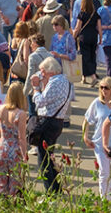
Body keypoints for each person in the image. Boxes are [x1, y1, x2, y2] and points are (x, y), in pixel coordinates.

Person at [29, 56, 74, 193]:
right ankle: (56, 188)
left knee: (44, 159)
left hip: (49, 122)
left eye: (43, 71)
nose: (41, 74)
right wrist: (43, 83)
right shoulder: (63, 80)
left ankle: (51, 191)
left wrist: (36, 89)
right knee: (49, 156)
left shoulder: (56, 82)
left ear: (51, 71)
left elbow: (41, 102)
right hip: (56, 121)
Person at [0, 81, 28, 196]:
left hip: (2, 147)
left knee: (0, 179)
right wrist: (24, 154)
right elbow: (21, 138)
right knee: (15, 181)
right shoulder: (21, 114)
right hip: (15, 150)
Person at [83, 76, 111, 196]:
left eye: (106, 88)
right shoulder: (97, 103)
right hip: (100, 144)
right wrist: (85, 137)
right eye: (101, 87)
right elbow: (87, 120)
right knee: (104, 172)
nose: (103, 90)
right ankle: (105, 199)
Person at [73, 0, 101, 87]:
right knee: (92, 56)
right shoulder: (95, 14)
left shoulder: (81, 14)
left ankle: (93, 77)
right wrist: (100, 38)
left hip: (84, 37)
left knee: (85, 57)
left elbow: (78, 27)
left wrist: (73, 36)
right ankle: (84, 77)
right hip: (93, 36)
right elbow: (99, 28)